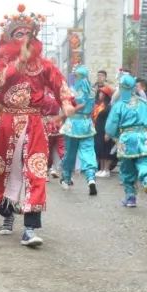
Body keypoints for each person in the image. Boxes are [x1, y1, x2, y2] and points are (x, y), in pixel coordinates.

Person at [0, 4, 74, 246]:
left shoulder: (44, 65)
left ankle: (30, 228)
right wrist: (17, 64)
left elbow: (59, 84)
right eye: (19, 35)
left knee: (35, 171)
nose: (24, 40)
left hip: (34, 123)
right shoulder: (1, 63)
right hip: (7, 121)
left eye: (28, 35)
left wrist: (66, 103)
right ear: (10, 39)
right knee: (6, 170)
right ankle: (7, 215)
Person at [105, 72, 147, 208]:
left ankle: (130, 197)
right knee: (146, 162)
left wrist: (115, 136)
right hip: (144, 137)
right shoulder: (144, 103)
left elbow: (110, 127)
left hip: (126, 138)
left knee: (127, 168)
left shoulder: (119, 105)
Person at [59, 65, 99, 195]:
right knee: (88, 152)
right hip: (86, 124)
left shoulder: (71, 91)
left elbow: (66, 108)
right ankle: (91, 178)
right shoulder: (92, 91)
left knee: (70, 153)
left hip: (72, 124)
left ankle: (66, 177)